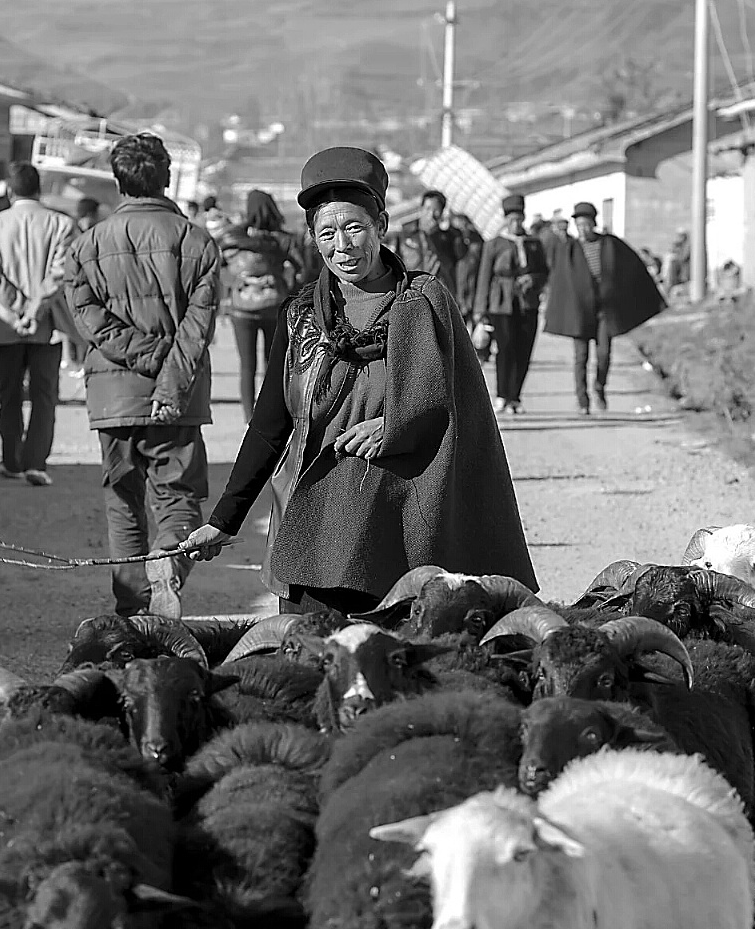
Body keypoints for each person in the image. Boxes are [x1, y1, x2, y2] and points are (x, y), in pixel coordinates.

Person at [178, 146, 536, 614]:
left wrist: (396, 423)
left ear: (380, 225)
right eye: (327, 233)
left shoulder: (423, 302)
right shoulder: (301, 316)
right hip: (314, 534)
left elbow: (463, 410)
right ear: (312, 238)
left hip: (398, 541)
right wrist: (225, 519)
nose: (342, 246)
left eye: (354, 227)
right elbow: (270, 424)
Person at [65, 133, 221, 620]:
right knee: (179, 497)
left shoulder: (86, 245)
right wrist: (168, 373)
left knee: (123, 501)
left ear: (118, 181)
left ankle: (133, 608)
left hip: (112, 396)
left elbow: (89, 320)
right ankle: (169, 561)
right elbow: (198, 327)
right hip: (177, 397)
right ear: (167, 178)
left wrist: (145, 355)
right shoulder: (196, 241)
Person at [0, 162, 78, 487]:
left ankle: (11, 460)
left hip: (4, 323)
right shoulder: (62, 224)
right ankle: (36, 463)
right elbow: (60, 274)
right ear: (39, 189)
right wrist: (35, 310)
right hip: (47, 325)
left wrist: (18, 307)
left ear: (9, 190)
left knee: (8, 394)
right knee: (44, 396)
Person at [543, 201, 666, 416]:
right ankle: (582, 399)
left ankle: (599, 387)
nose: (583, 230)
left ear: (594, 224)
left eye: (586, 225)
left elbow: (631, 266)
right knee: (581, 357)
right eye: (579, 225)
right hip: (580, 312)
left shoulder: (609, 244)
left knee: (603, 354)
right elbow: (560, 279)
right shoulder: (569, 249)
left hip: (605, 310)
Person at [220, 190, 297, 421]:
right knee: (272, 364)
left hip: (241, 308)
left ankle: (248, 415)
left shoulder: (234, 237)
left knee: (247, 366)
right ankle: (269, 414)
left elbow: (219, 265)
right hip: (274, 306)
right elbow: (301, 268)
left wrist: (233, 282)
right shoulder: (282, 239)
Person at [474, 194, 549, 415]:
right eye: (512, 219)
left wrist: (533, 279)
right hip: (502, 303)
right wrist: (480, 309)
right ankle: (502, 394)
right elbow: (484, 276)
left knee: (524, 348)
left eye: (519, 219)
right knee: (505, 347)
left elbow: (545, 272)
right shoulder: (494, 244)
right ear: (506, 220)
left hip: (527, 303)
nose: (516, 224)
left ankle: (515, 396)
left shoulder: (534, 244)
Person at [393, 189, 467, 301]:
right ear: (421, 209)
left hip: (438, 294)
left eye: (436, 211)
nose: (431, 215)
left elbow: (461, 260)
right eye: (427, 209)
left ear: (442, 213)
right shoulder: (405, 234)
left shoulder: (448, 238)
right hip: (411, 295)